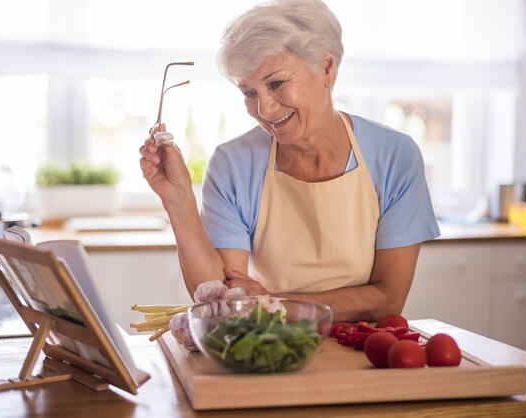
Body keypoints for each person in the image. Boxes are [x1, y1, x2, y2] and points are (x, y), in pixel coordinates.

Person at [139, 0, 440, 323]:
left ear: (326, 68)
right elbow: (223, 299)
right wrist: (179, 200)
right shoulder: (234, 164)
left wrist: (273, 302)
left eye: (276, 83)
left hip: (363, 351)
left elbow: (387, 299)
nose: (265, 110)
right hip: (272, 348)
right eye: (249, 93)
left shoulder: (395, 156)